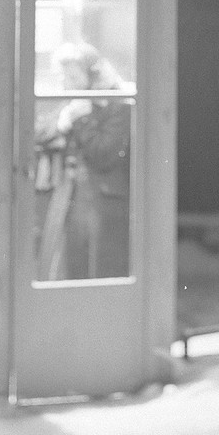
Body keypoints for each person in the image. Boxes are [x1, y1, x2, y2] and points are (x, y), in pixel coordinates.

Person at [36, 41, 132, 279]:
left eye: (74, 77)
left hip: (103, 198)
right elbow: (41, 134)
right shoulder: (74, 100)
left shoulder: (118, 104)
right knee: (67, 266)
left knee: (98, 268)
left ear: (93, 75)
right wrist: (63, 122)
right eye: (64, 77)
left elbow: (104, 154)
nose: (67, 84)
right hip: (70, 195)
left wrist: (80, 120)